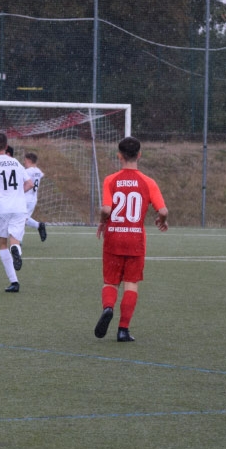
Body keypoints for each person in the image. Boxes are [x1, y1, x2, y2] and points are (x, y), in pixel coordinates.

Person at [94, 136, 169, 342]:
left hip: (114, 237)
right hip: (135, 240)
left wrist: (102, 221)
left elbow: (106, 209)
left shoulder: (111, 180)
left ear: (119, 156)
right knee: (131, 283)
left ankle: (108, 308)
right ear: (139, 155)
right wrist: (162, 220)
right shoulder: (148, 182)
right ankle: (123, 330)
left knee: (110, 282)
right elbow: (163, 210)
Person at [0, 133, 33, 292]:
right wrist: (17, 193)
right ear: (6, 145)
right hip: (19, 208)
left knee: (2, 243)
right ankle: (16, 249)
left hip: (2, 208)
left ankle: (14, 282)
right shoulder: (16, 163)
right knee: (14, 240)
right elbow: (29, 184)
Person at [23, 152, 47, 242]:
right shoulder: (38, 171)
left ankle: (18, 243)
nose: (24, 162)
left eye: (25, 160)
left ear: (29, 160)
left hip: (25, 198)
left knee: (20, 220)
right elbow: (42, 174)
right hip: (33, 199)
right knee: (23, 219)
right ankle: (39, 225)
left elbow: (27, 183)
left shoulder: (27, 171)